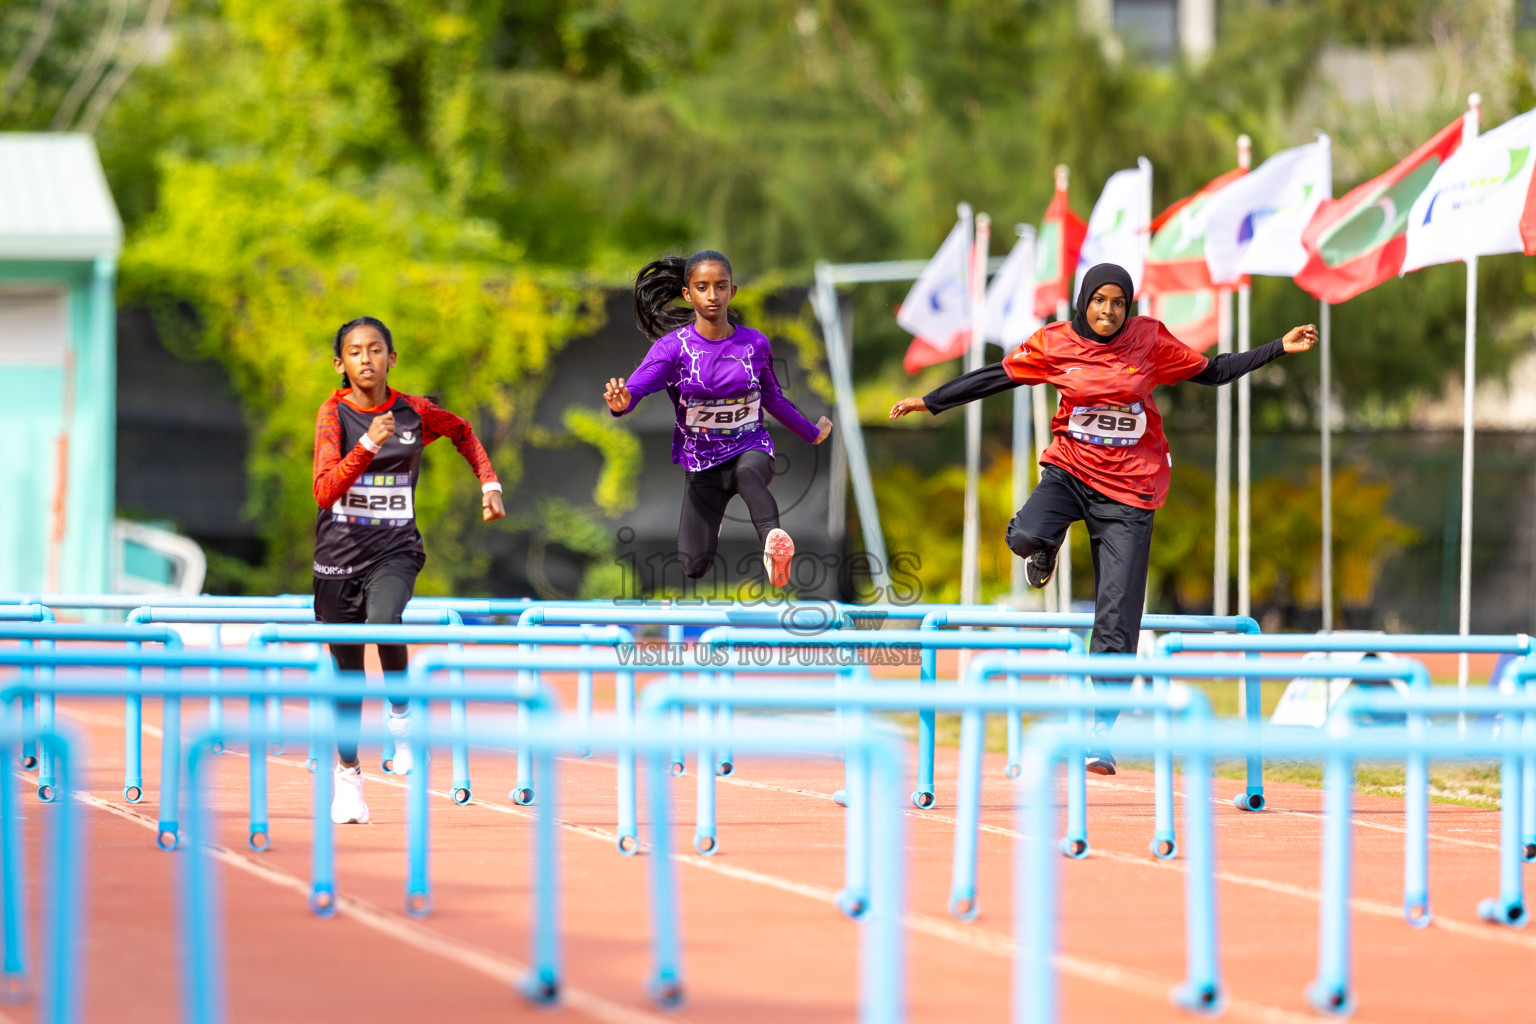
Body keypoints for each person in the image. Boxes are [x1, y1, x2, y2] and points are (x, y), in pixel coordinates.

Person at [890, 263, 1318, 774]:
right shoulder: (1054, 343)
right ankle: (1045, 545)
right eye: (1100, 301)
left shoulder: (1149, 340)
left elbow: (1215, 371)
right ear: (1084, 301)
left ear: (1128, 306)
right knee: (1025, 533)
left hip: (1131, 492)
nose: (1109, 311)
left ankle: (1099, 733)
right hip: (1071, 473)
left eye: (1118, 302)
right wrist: (931, 401)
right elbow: (996, 377)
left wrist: (1276, 347)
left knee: (1116, 622)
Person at [312, 316, 505, 823]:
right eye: (355, 352)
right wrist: (369, 445)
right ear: (341, 364)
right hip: (337, 561)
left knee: (384, 621)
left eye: (376, 349)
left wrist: (489, 484)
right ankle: (349, 779)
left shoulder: (413, 412)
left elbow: (462, 432)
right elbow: (323, 490)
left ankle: (402, 720)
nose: (366, 359)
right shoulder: (333, 414)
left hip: (395, 550)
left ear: (391, 358)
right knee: (346, 677)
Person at [605, 250, 832, 589]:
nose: (712, 296)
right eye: (702, 287)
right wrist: (621, 404)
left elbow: (773, 399)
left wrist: (812, 432)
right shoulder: (672, 349)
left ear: (732, 291)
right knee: (693, 566)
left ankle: (774, 544)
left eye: (720, 286)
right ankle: (716, 515)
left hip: (750, 447)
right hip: (701, 464)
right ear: (687, 294)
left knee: (747, 473)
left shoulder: (754, 343)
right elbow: (633, 392)